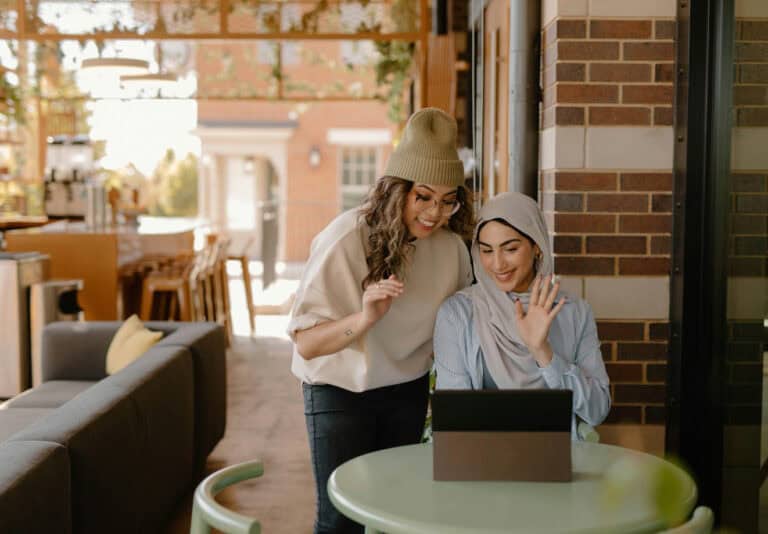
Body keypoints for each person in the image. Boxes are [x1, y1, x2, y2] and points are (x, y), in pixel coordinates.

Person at [288, 108, 475, 533]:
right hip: (339, 390)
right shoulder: (346, 238)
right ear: (398, 191)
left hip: (404, 390)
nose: (434, 213)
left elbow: (462, 327)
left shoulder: (451, 251)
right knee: (340, 521)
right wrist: (366, 317)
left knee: (395, 513)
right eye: (423, 196)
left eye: (448, 201)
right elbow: (306, 344)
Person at [433, 192, 610, 436]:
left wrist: (543, 352)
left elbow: (597, 410)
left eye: (510, 249)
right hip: (478, 459)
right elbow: (454, 419)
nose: (497, 264)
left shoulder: (574, 312)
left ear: (536, 245)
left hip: (553, 459)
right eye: (486, 251)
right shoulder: (457, 314)